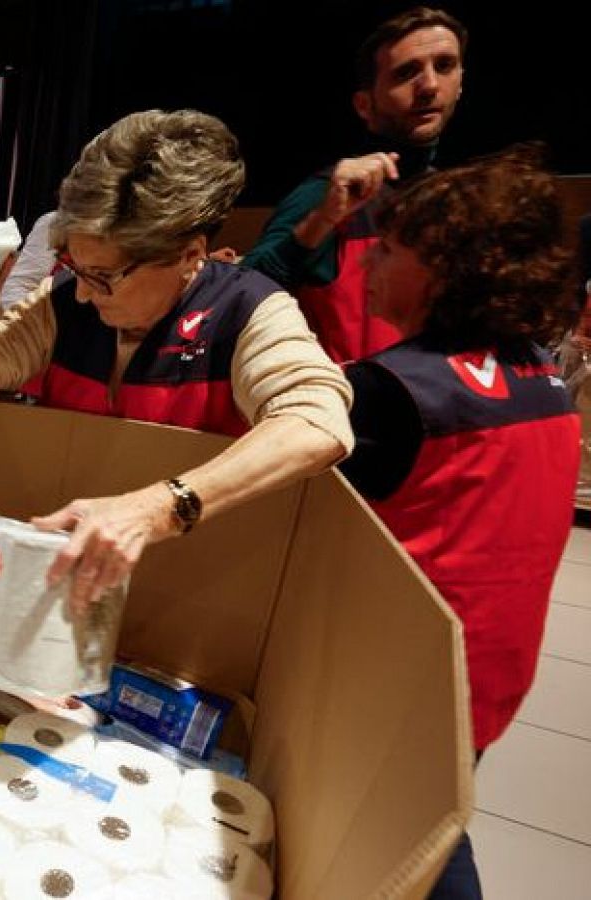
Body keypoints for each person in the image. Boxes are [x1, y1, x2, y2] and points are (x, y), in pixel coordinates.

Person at [0, 109, 354, 608]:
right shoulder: (66, 302)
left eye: (105, 277)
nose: (86, 296)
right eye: (77, 267)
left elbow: (317, 423)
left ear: (188, 255)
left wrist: (161, 506)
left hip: (193, 595)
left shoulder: (247, 310)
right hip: (73, 586)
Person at [337, 149, 581, 900]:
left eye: (391, 247)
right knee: (438, 821)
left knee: (414, 849)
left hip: (400, 685)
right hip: (493, 676)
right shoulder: (542, 375)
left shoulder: (390, 392)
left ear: (447, 268)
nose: (370, 260)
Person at [244, 6, 467, 363]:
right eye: (406, 73)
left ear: (461, 82)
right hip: (351, 413)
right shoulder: (328, 195)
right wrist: (319, 222)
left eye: (444, 66)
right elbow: (239, 295)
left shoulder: (456, 200)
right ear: (364, 105)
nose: (429, 85)